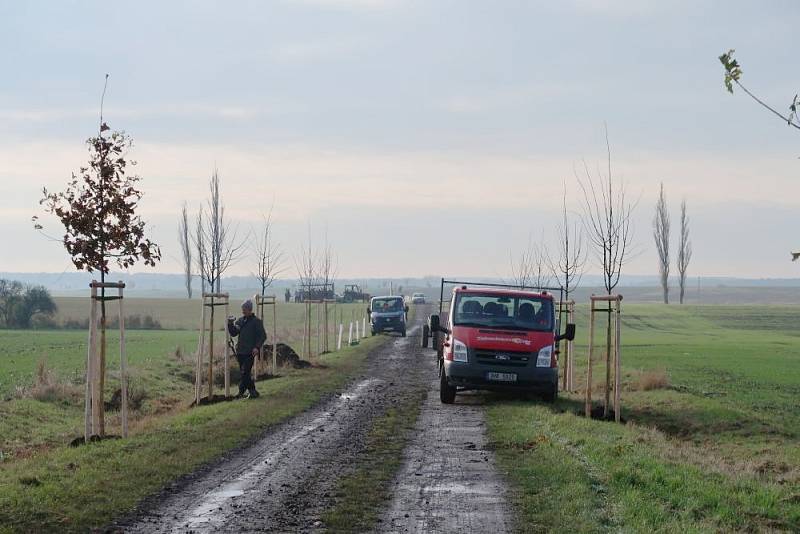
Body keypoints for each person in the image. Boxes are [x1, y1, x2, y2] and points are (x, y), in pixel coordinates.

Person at [227, 299, 267, 399]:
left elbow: (262, 336)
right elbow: (234, 333)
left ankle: (242, 392)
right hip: (240, 351)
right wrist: (230, 323)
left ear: (249, 309)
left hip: (250, 352)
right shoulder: (240, 321)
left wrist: (257, 347)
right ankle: (253, 392)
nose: (242, 311)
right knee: (244, 373)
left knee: (245, 372)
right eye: (242, 309)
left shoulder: (257, 322)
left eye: (244, 309)